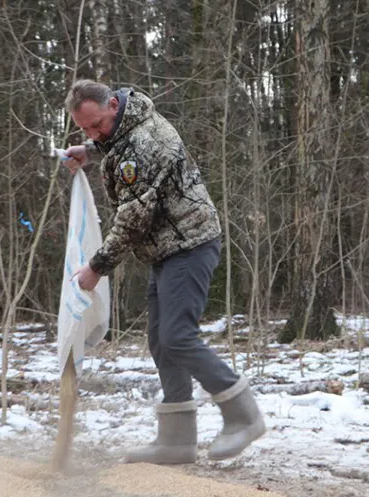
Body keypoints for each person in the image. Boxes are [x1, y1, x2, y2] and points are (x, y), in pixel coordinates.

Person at [61, 79, 266, 464]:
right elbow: (113, 144)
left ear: (112, 107)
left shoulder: (146, 142)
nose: (91, 133)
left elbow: (133, 219)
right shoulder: (125, 125)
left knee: (177, 337)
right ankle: (177, 441)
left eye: (94, 125)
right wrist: (89, 150)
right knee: (160, 340)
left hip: (189, 245)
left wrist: (96, 268)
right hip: (166, 249)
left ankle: (244, 416)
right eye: (84, 128)